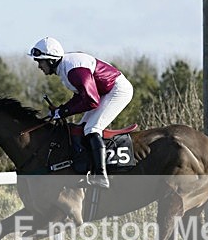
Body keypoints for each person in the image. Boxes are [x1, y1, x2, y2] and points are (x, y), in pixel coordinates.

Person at [28, 36, 134, 189]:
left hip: (117, 90)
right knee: (81, 127)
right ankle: (88, 170)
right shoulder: (65, 69)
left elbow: (92, 100)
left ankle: (101, 175)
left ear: (51, 60)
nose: (39, 66)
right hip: (104, 92)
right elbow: (81, 97)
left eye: (40, 61)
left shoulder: (73, 71)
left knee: (92, 129)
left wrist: (63, 111)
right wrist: (60, 110)